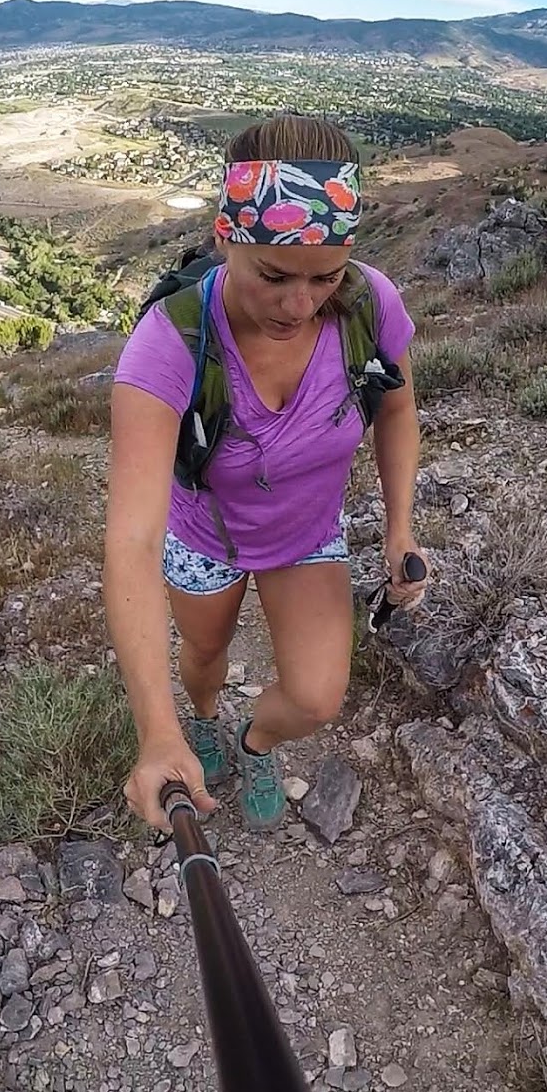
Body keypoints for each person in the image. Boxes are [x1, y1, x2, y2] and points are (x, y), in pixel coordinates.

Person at [104, 113, 428, 834]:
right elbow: (130, 542)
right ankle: (206, 721)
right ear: (226, 237)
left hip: (306, 533)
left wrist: (399, 524)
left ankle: (253, 741)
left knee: (316, 697)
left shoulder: (371, 304)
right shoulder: (169, 344)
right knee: (206, 655)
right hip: (204, 537)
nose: (299, 305)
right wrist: (158, 734)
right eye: (274, 275)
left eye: (325, 278)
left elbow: (399, 410)